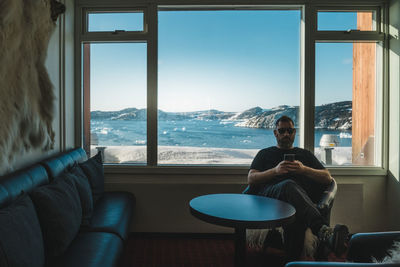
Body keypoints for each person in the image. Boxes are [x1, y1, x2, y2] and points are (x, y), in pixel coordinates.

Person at [247, 115, 349, 259]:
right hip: (271, 201)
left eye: (289, 131)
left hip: (297, 204)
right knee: (288, 185)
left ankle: (293, 260)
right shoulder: (265, 154)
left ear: (294, 133)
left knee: (296, 219)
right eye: (282, 131)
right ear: (275, 133)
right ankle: (322, 230)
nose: (286, 134)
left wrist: (303, 169)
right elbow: (251, 179)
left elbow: (327, 177)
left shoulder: (304, 155)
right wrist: (275, 171)